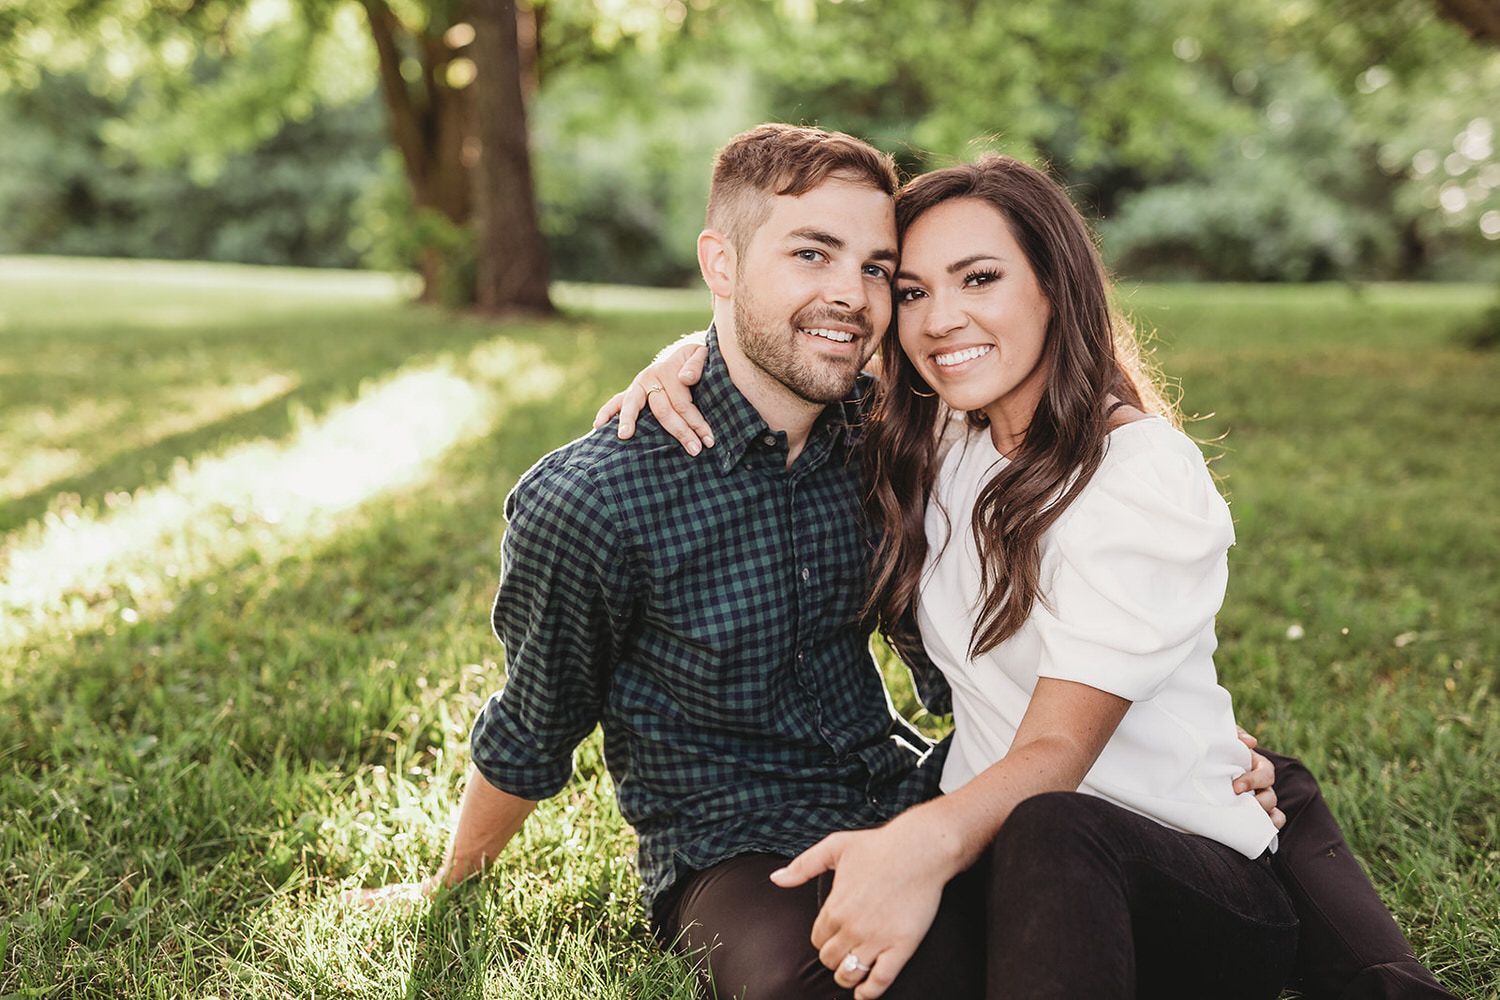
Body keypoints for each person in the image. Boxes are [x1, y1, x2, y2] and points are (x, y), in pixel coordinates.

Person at [609, 153, 1462, 999]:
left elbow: (1057, 752)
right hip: (1009, 857)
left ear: (1054, 286)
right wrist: (687, 353)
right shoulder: (946, 429)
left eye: (980, 278)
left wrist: (922, 842)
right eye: (912, 292)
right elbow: (792, 342)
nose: (942, 319)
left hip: (1188, 888)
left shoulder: (1138, 477)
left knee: (1050, 826)